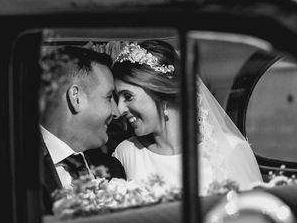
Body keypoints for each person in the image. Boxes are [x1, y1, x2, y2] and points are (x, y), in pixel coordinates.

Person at [111, 40, 262, 192]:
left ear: (161, 91)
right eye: (117, 99)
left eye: (128, 96)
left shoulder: (229, 149)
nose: (119, 109)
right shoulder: (125, 154)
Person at [39, 46, 126, 203]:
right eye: (108, 97)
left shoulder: (113, 168)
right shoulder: (14, 166)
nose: (117, 112)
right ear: (76, 98)